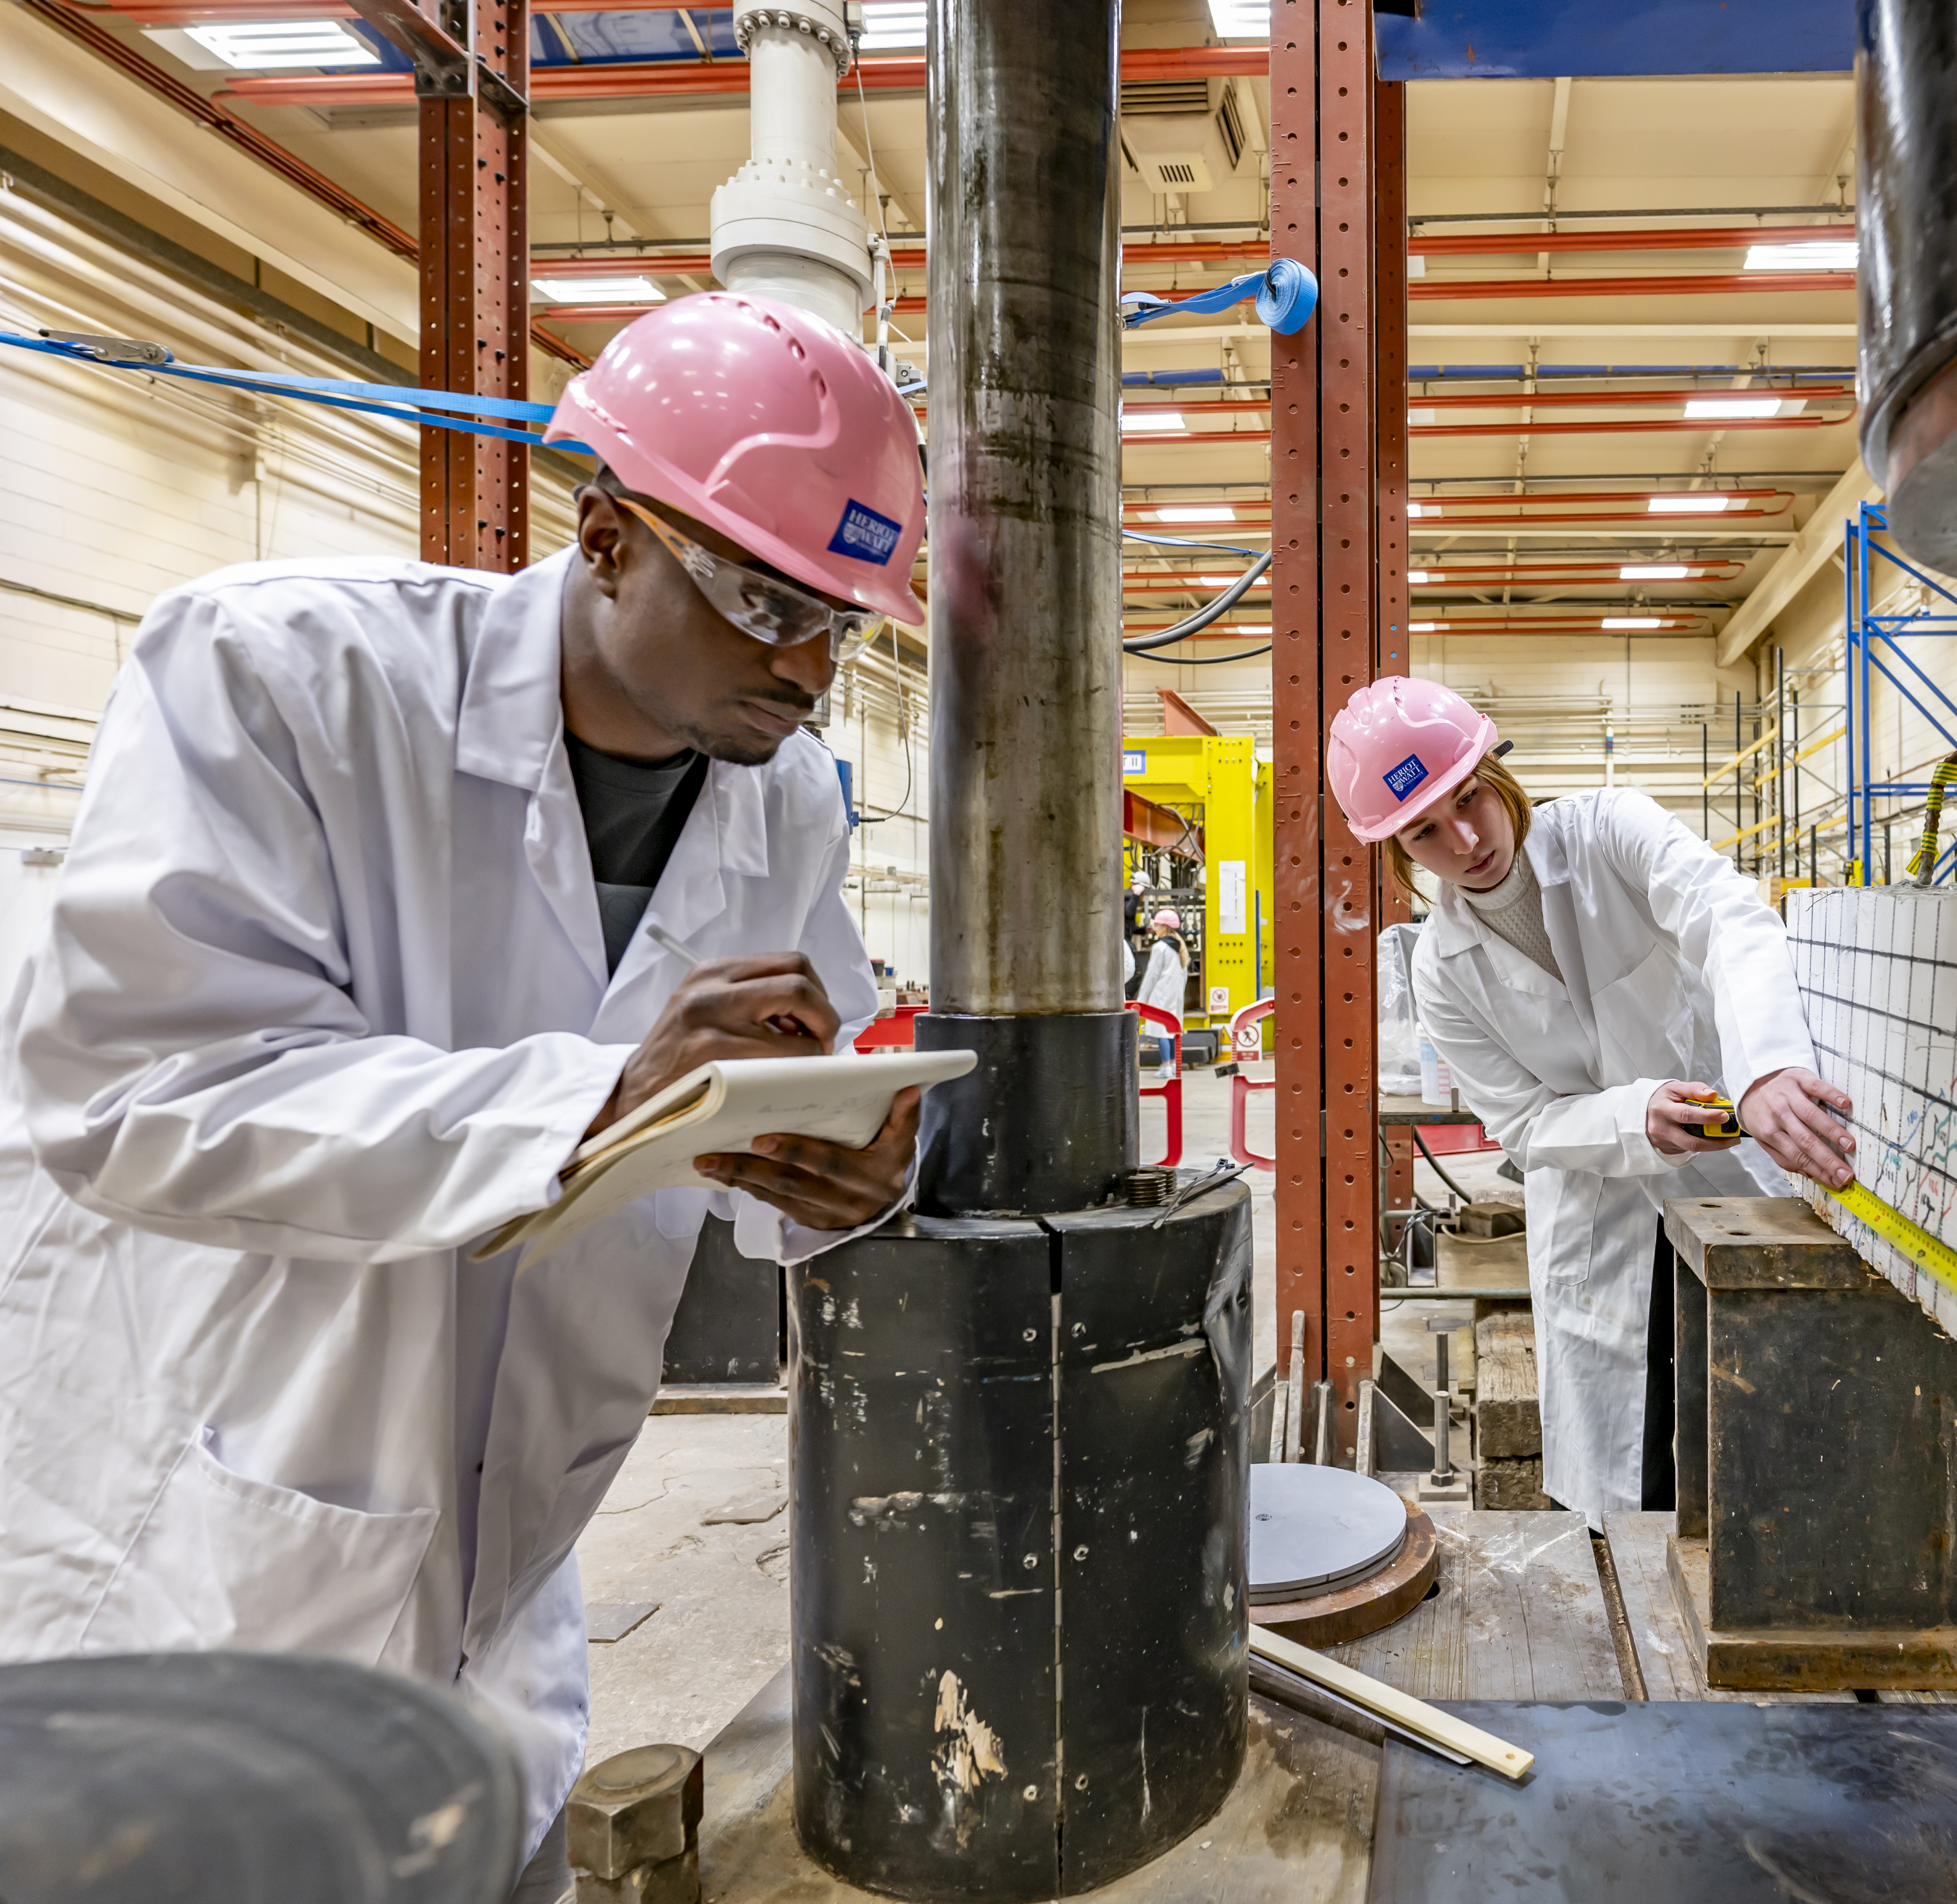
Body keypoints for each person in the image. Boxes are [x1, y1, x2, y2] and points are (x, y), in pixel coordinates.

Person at [0, 290, 928, 1901]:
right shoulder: (285, 672)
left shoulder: (782, 805)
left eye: (841, 623)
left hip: (514, 1562)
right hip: (214, 1524)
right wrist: (594, 1099)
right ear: (607, 540)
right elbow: (136, 1092)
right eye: (763, 599)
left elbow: (787, 1078)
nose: (805, 668)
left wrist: (837, 1176)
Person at [1327, 677, 1855, 1531]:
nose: (1466, 840)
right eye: (1424, 830)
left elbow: (1726, 916)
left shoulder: (1610, 831)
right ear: (1395, 848)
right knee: (1631, 1482)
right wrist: (1632, 1118)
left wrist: (1765, 1071)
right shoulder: (1442, 973)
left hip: (1738, 1173)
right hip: (1601, 1221)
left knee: (1767, 1442)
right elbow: (1525, 1123)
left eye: (1469, 799)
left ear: (1498, 773)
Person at [1137, 906, 1189, 1024]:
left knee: (1160, 1030)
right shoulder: (1181, 948)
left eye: (1156, 925)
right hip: (1175, 999)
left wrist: (1141, 1002)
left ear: (1165, 927)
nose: (1155, 929)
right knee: (1173, 1029)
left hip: (1160, 1001)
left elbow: (1152, 976)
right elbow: (1184, 976)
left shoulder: (1160, 948)